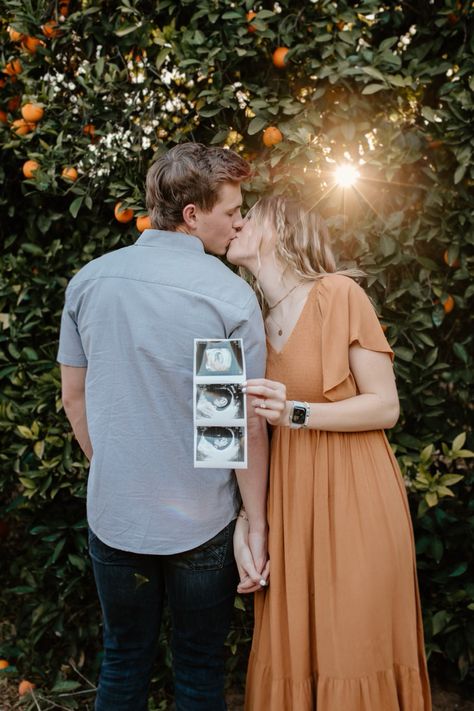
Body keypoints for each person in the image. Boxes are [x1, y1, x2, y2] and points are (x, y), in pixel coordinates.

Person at [57, 143, 269, 711]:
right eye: (232, 210)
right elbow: (232, 422)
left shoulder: (89, 281)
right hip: (202, 519)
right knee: (200, 669)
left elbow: (73, 399)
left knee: (122, 660)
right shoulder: (225, 294)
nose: (240, 221)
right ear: (194, 215)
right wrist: (255, 518)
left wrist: (117, 470)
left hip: (115, 511)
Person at [227, 196, 432, 710]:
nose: (237, 222)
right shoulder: (247, 318)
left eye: (250, 215)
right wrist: (247, 523)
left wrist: (297, 413)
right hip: (290, 501)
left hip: (355, 495)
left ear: (280, 228)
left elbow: (385, 406)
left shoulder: (339, 293)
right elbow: (247, 434)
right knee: (294, 647)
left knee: (351, 645)